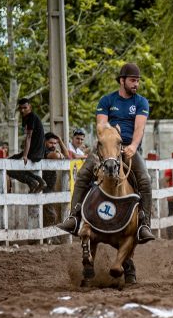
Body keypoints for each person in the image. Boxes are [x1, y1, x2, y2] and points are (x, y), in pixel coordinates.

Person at [57, 62, 156, 244]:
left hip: (128, 148)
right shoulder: (106, 101)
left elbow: (139, 128)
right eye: (133, 80)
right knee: (83, 175)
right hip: (106, 146)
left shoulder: (141, 102)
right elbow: (101, 126)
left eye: (138, 81)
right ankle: (74, 217)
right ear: (122, 81)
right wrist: (111, 135)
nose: (136, 84)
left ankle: (144, 224)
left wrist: (133, 146)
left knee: (145, 181)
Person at [8, 97, 46, 193]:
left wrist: (24, 155)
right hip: (33, 150)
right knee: (9, 161)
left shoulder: (31, 117)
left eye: (25, 108)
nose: (22, 110)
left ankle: (33, 181)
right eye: (20, 108)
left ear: (30, 107)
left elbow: (28, 137)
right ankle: (35, 181)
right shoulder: (25, 117)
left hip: (35, 152)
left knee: (9, 168)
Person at [42, 132, 67, 226]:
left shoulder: (54, 150)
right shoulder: (44, 151)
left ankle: (48, 239)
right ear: (45, 142)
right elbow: (56, 156)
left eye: (55, 143)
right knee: (52, 214)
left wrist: (60, 141)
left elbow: (67, 156)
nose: (53, 145)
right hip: (44, 187)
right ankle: (51, 238)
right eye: (51, 143)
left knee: (48, 215)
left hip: (50, 187)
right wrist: (59, 154)